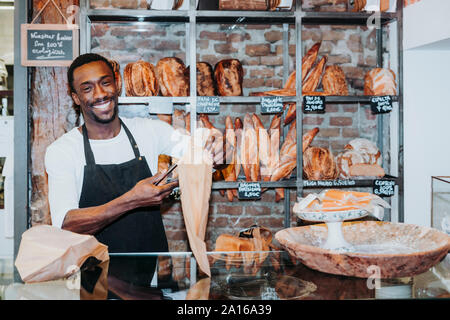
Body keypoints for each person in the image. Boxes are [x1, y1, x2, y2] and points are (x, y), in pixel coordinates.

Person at [45, 53, 223, 290]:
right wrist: (131, 200)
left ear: (116, 85)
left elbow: (199, 151)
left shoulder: (150, 131)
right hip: (90, 284)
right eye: (87, 88)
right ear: (76, 97)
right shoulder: (62, 151)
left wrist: (220, 149)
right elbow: (66, 223)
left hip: (146, 280)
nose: (100, 94)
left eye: (105, 82)